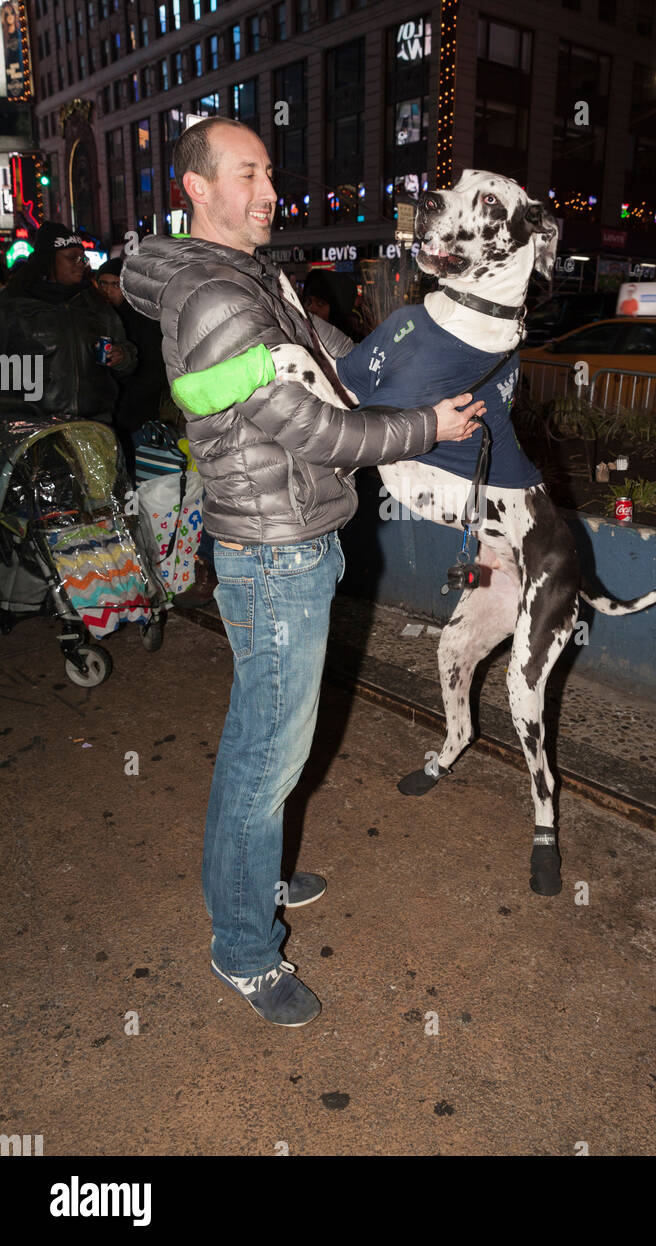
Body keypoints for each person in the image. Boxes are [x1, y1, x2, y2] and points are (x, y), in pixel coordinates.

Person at [119, 116, 484, 1028]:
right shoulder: (213, 294)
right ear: (196, 189)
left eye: (270, 171)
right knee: (263, 760)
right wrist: (428, 431)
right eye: (249, 174)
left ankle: (261, 872)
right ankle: (243, 948)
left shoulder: (249, 274)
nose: (271, 190)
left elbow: (319, 368)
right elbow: (314, 428)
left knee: (267, 749)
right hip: (273, 554)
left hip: (293, 539)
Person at [0, 222, 136, 423]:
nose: (80, 263)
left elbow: (129, 357)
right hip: (36, 431)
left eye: (82, 257)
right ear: (48, 260)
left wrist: (122, 356)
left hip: (95, 427)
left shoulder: (95, 304)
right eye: (72, 257)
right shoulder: (14, 306)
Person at [96, 257, 168, 482]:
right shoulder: (97, 315)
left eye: (115, 285)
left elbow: (153, 370)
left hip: (137, 414)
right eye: (103, 284)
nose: (108, 291)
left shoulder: (143, 318)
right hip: (110, 410)